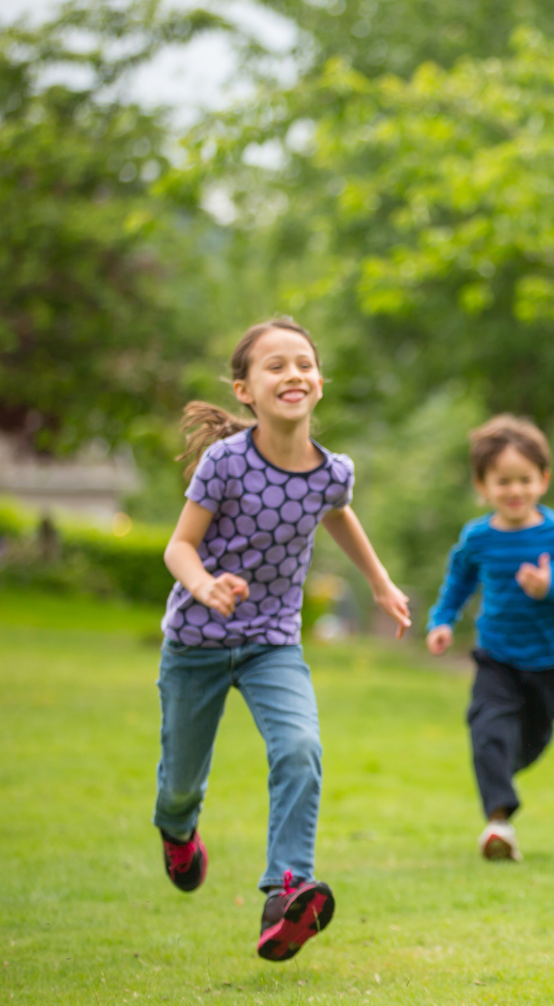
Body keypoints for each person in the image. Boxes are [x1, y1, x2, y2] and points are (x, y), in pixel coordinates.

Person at [154, 318, 411, 961]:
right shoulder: (226, 462)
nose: (292, 374)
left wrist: (380, 582)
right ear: (245, 390)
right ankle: (178, 829)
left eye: (303, 363)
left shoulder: (332, 472)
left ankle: (286, 887)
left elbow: (338, 514)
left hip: (273, 641)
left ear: (319, 382)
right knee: (181, 782)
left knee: (299, 746)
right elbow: (179, 546)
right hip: (196, 640)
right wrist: (206, 584)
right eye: (275, 366)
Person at [427, 415, 554, 861]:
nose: (514, 490)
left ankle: (500, 777)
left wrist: (552, 588)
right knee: (487, 729)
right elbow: (458, 584)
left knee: (529, 743)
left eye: (524, 480)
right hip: (497, 655)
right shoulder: (478, 537)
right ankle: (499, 824)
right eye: (502, 481)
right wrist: (442, 620)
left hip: (549, 660)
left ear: (543, 480)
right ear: (482, 485)